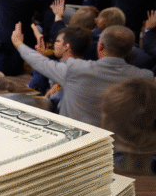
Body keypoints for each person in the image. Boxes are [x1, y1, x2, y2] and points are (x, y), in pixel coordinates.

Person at [12, 24, 153, 127]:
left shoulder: (76, 69)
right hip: (116, 148)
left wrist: (19, 43)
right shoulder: (145, 78)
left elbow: (40, 62)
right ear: (130, 49)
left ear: (100, 46)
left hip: (75, 141)